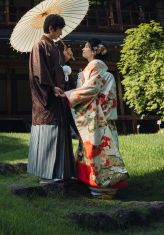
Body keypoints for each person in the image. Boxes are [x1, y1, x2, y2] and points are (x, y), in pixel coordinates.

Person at [65, 38, 128, 199]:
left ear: (94, 51)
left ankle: (104, 187)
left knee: (100, 154)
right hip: (101, 118)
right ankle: (98, 185)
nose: (83, 49)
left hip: (100, 119)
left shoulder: (96, 67)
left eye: (86, 47)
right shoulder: (99, 70)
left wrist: (67, 94)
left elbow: (91, 90)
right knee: (99, 153)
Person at [27, 13, 76, 182]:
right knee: (48, 134)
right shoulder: (39, 46)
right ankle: (46, 175)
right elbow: (39, 73)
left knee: (60, 135)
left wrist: (65, 59)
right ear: (51, 28)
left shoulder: (54, 47)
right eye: (59, 30)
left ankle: (60, 173)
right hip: (47, 101)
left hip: (58, 98)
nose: (60, 34)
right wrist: (51, 87)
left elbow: (60, 71)